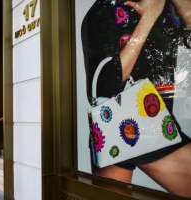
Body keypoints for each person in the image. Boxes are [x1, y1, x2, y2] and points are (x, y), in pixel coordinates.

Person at [81, 0, 191, 197]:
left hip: (144, 127)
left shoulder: (169, 8)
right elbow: (105, 86)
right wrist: (149, 18)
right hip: (125, 127)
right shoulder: (102, 11)